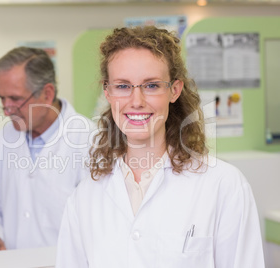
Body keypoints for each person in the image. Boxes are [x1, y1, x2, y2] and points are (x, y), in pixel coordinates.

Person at [56, 26, 265, 267]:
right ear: (108, 92)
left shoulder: (224, 186)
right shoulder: (85, 197)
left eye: (152, 85)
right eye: (123, 86)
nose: (136, 101)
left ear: (174, 90)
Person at [0, 47, 95, 252]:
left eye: (16, 99)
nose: (7, 109)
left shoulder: (90, 142)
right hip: (12, 261)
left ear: (47, 94)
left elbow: (99, 224)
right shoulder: (5, 138)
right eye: (2, 98)